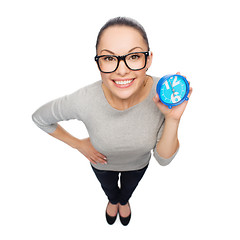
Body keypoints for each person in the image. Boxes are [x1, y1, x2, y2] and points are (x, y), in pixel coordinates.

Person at [32, 17, 192, 226]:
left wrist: (172, 118)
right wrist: (78, 144)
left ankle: (123, 201)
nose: (122, 70)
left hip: (138, 166)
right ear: (98, 62)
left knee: (128, 190)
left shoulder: (163, 94)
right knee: (109, 189)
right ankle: (112, 200)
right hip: (101, 165)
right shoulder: (83, 100)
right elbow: (40, 118)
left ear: (149, 59)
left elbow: (163, 160)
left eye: (134, 56)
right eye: (109, 58)